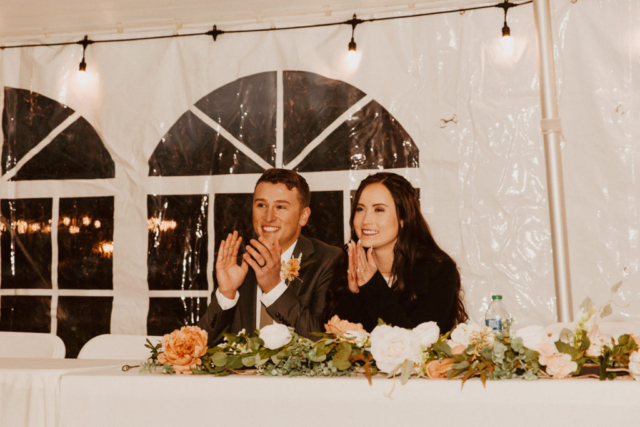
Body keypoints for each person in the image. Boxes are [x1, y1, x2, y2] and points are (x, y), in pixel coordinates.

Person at [198, 168, 343, 346]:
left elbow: (323, 341)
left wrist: (274, 289)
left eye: (280, 207)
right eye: (261, 205)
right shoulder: (239, 265)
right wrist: (226, 294)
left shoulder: (328, 260)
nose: (268, 217)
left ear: (303, 216)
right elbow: (202, 345)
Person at [327, 172, 467, 333]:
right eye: (360, 209)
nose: (366, 220)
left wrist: (373, 286)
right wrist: (353, 294)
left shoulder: (437, 271)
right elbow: (334, 340)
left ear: (403, 218)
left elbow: (419, 340)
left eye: (379, 210)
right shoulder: (344, 265)